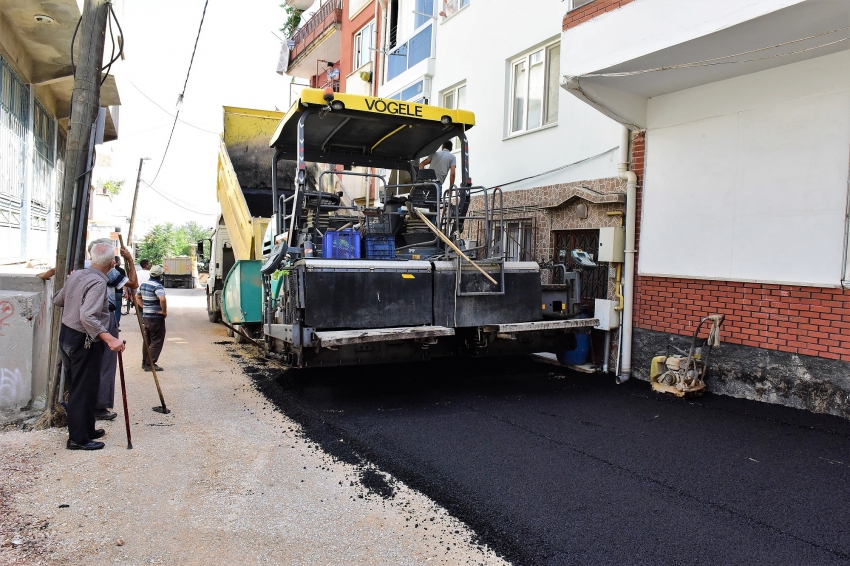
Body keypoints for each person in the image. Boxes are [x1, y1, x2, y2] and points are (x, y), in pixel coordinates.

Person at [53, 242, 125, 450]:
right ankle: (77, 439)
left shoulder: (77, 275)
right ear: (112, 263)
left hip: (68, 336)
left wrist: (73, 288)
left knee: (88, 385)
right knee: (82, 389)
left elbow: (58, 299)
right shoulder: (98, 283)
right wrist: (110, 339)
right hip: (83, 340)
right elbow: (87, 316)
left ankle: (87, 429)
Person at [95, 247, 138, 421]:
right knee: (107, 362)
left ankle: (88, 404)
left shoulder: (81, 268)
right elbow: (134, 283)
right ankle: (100, 406)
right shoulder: (109, 272)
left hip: (84, 319)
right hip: (105, 316)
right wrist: (130, 260)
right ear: (111, 261)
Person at [137, 265, 167, 372]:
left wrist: (144, 307)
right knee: (157, 340)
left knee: (147, 340)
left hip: (146, 316)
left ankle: (144, 362)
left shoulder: (144, 284)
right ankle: (150, 364)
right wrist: (163, 311)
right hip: (155, 317)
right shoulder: (157, 286)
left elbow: (137, 297)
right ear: (160, 276)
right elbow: (162, 299)